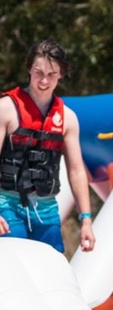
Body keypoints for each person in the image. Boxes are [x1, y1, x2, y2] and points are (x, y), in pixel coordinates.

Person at [0, 39, 96, 254]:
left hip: (46, 208)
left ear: (61, 74)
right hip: (6, 203)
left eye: (51, 74)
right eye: (38, 72)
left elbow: (77, 171)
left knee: (50, 268)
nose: (44, 80)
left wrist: (86, 219)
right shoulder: (6, 109)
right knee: (14, 263)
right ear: (29, 70)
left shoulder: (67, 118)